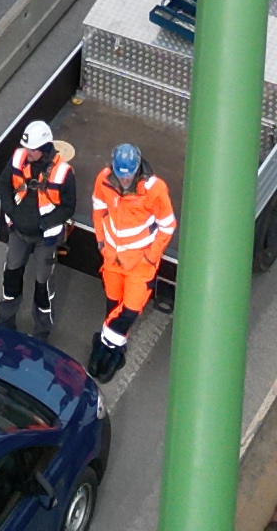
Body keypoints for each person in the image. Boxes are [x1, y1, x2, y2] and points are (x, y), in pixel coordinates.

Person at [87, 142, 176, 385]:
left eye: (128, 175)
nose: (125, 180)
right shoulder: (104, 179)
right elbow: (98, 209)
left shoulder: (154, 190)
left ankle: (104, 345)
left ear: (137, 169)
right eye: (121, 175)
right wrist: (101, 241)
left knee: (128, 312)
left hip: (140, 264)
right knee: (113, 307)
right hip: (113, 259)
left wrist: (149, 257)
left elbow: (167, 226)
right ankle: (116, 350)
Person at [0, 118, 77, 334]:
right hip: (18, 232)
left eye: (32, 149)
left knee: (43, 287)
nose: (27, 153)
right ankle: (5, 324)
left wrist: (43, 224)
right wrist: (12, 211)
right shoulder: (19, 158)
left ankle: (41, 332)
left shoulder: (63, 173)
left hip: (45, 238)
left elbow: (68, 207)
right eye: (26, 148)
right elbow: (3, 184)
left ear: (44, 148)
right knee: (11, 278)